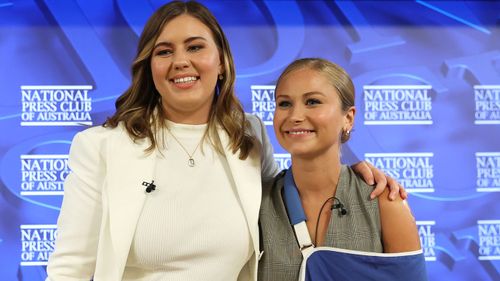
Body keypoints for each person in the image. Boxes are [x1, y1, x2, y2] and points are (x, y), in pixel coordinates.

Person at [46, 2, 404, 281]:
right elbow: (69, 267)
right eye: (164, 51)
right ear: (149, 66)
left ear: (221, 63)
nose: (180, 61)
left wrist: (352, 175)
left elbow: (286, 198)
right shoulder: (102, 147)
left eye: (195, 47)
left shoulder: (248, 135)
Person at [258, 58, 425, 281]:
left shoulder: (385, 202)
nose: (295, 116)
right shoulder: (255, 202)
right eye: (284, 103)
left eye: (313, 102)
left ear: (348, 118)